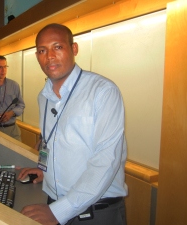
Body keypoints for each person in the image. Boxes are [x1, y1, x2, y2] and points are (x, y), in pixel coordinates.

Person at [17, 23, 128, 225]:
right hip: (55, 205)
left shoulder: (102, 92)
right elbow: (50, 142)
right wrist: (44, 170)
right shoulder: (44, 96)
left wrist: (59, 211)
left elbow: (106, 161)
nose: (49, 56)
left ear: (74, 49)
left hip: (95, 212)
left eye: (57, 47)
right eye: (42, 50)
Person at [0, 55, 25, 141]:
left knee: (16, 154)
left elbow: (21, 105)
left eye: (5, 66)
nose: (3, 70)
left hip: (12, 130)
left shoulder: (14, 85)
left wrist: (11, 113)